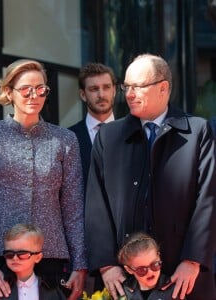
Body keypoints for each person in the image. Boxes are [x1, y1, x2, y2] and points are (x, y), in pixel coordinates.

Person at [85, 53, 216, 300]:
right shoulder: (109, 136)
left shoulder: (197, 132)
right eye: (126, 87)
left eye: (138, 86)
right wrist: (106, 265)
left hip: (183, 273)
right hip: (125, 277)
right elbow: (95, 204)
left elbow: (208, 199)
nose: (129, 94)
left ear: (163, 88)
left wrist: (193, 260)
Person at [0, 59, 87, 300]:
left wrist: (80, 265)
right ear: (9, 92)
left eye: (41, 88)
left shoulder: (65, 140)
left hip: (52, 256)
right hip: (3, 258)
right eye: (26, 89)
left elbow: (73, 208)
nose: (34, 95)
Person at [0, 223, 66, 300]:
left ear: (37, 257)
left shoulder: (52, 289)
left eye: (22, 253)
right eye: (9, 254)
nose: (15, 258)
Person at [68, 62, 116, 189]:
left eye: (106, 87)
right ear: (83, 95)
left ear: (114, 90)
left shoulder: (133, 132)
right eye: (94, 89)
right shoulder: (69, 137)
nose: (101, 95)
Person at [118, 232, 180, 299]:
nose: (150, 272)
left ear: (159, 257)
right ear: (129, 270)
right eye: (142, 270)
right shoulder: (123, 291)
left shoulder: (173, 289)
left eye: (154, 265)